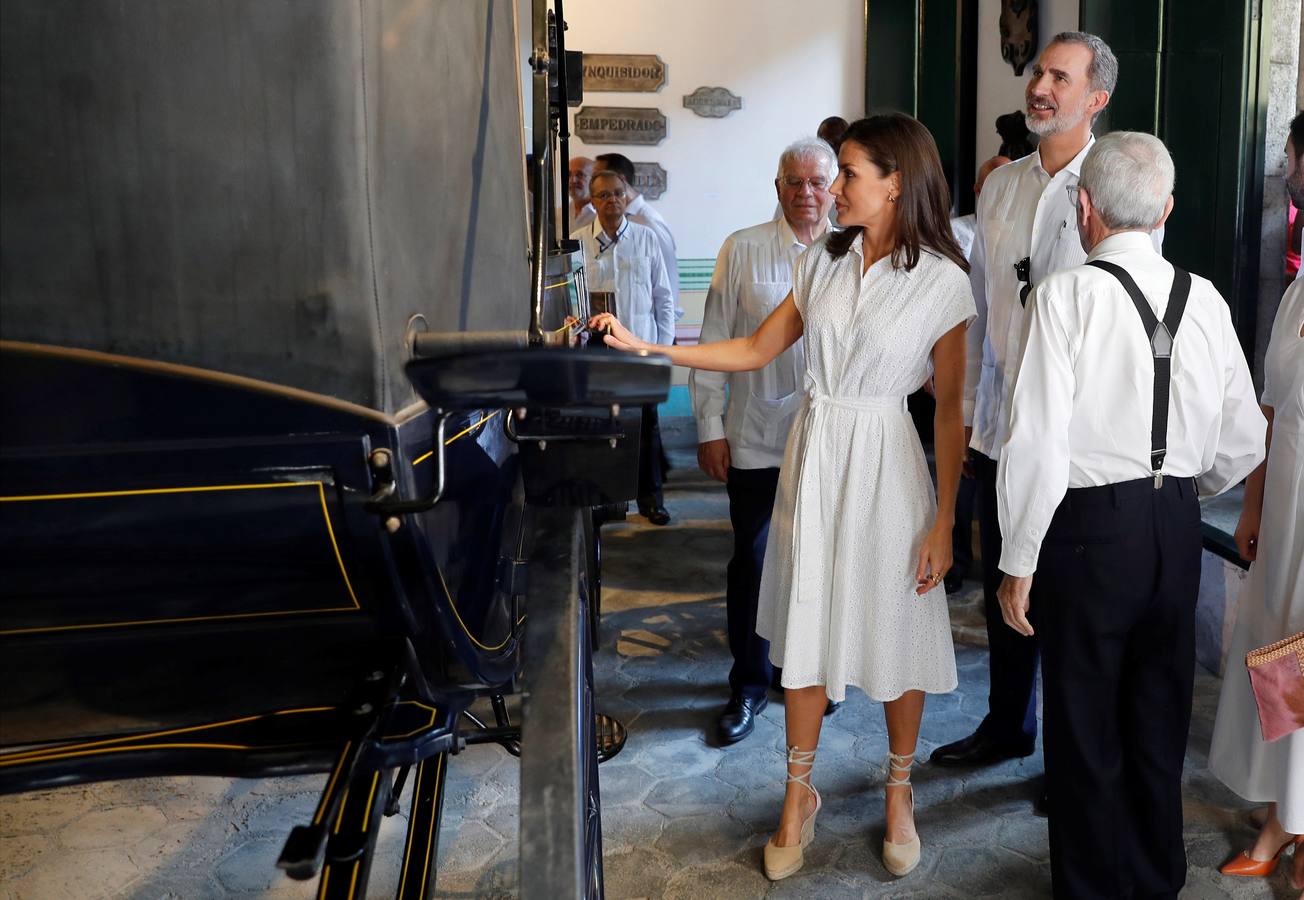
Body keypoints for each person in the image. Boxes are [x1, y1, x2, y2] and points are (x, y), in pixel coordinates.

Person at [590, 113, 974, 881]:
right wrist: (651, 348)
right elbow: (757, 348)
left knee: (896, 629)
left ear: (895, 182)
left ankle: (900, 794)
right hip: (815, 454)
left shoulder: (944, 281)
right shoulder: (822, 265)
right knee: (799, 630)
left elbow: (955, 408)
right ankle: (798, 794)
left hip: (889, 463)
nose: (833, 189)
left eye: (850, 174)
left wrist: (944, 520)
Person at [995, 131, 1266, 899]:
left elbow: (1038, 442)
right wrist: (1178, 484)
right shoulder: (1204, 298)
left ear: (1084, 207)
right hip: (1176, 527)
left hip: (1087, 531)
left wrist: (1019, 560)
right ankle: (1155, 878)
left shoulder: (1065, 297)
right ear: (1166, 210)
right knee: (1159, 709)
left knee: (1084, 720)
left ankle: (1089, 887)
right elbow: (1243, 440)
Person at [933, 31, 1162, 771]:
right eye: (1038, 71)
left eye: (1059, 77)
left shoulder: (1120, 191)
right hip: (1003, 433)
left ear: (1096, 98)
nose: (1040, 85)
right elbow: (976, 309)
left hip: (1082, 441)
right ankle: (1007, 726)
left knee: (1069, 609)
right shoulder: (1001, 185)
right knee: (1005, 589)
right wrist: (967, 417)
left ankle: (1070, 763)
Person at [690, 137, 837, 745]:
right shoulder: (743, 249)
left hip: (829, 440)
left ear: (834, 189)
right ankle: (747, 685)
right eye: (794, 183)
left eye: (817, 183)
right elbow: (715, 341)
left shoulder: (852, 250)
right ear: (777, 187)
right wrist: (709, 426)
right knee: (752, 562)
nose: (806, 194)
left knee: (817, 562)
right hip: (757, 439)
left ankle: (801, 674)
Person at [1209, 109, 1304, 889]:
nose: (1287, 172)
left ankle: (1292, 825)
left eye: (1294, 159)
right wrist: (1251, 505)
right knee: (1279, 648)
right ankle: (1284, 794)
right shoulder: (1298, 291)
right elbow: (1273, 412)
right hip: (1287, 508)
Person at [571, 170, 675, 524]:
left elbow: (663, 298)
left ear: (626, 198)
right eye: (603, 195)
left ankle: (651, 500)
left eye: (618, 194)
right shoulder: (578, 242)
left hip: (640, 350)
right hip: (597, 351)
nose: (612, 201)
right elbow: (572, 298)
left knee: (646, 428)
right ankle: (604, 501)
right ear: (593, 201)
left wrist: (662, 350)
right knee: (602, 428)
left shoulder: (646, 238)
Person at [945, 155, 1010, 594]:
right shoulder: (957, 232)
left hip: (997, 377)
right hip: (964, 366)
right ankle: (955, 557)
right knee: (961, 471)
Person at [567, 156, 594, 225]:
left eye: (580, 175)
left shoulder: (601, 216)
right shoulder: (558, 214)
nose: (573, 181)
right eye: (569, 175)